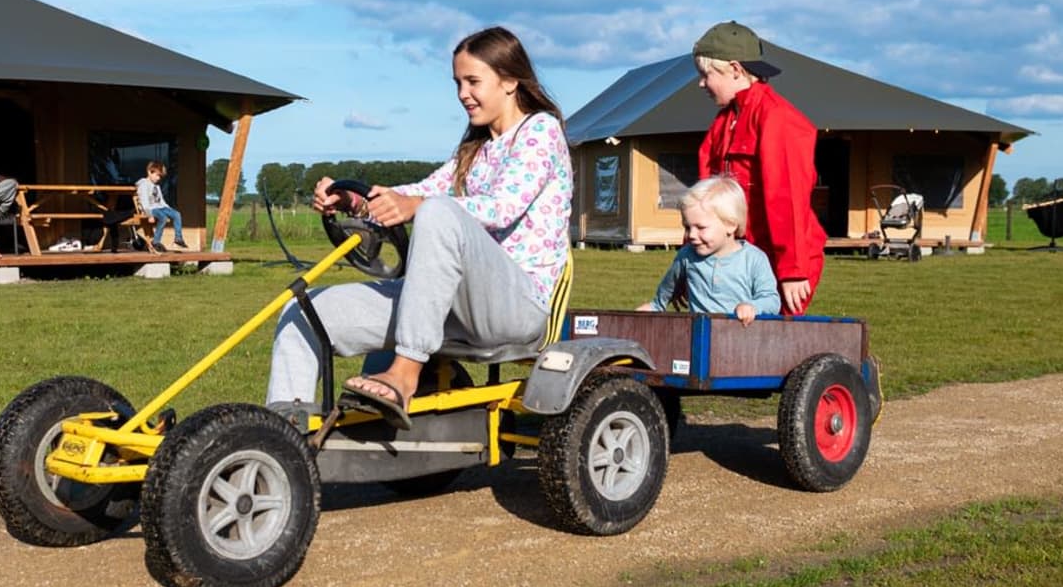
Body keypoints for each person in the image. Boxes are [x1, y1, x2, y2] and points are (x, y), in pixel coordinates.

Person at [266, 26, 572, 428]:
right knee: (304, 311)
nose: (463, 93)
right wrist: (356, 201)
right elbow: (422, 190)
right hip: (450, 305)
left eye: (473, 81)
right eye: (458, 83)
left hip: (518, 307)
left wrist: (419, 206)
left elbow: (501, 207)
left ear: (510, 82)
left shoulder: (540, 131)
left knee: (437, 212)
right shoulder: (475, 148)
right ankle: (281, 436)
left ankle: (404, 374)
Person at [693, 20, 826, 314]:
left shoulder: (778, 119)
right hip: (735, 259)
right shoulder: (724, 123)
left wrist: (792, 271)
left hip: (778, 261)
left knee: (767, 344)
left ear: (736, 70)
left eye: (706, 74)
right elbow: (704, 200)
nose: (701, 83)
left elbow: (787, 198)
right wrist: (691, 259)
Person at [639, 176, 779, 324]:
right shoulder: (686, 256)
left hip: (740, 339)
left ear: (730, 225)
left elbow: (771, 300)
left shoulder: (753, 259)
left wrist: (752, 307)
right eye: (687, 227)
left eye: (700, 227)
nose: (691, 235)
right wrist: (654, 307)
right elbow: (666, 290)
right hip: (700, 339)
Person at [135, 160, 183, 252]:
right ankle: (156, 241)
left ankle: (178, 238)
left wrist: (169, 209)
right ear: (149, 171)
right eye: (157, 175)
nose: (158, 178)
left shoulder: (157, 186)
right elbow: (144, 201)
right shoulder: (144, 184)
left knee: (177, 214)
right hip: (151, 209)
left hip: (161, 207)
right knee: (163, 218)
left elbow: (161, 201)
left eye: (160, 176)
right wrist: (149, 215)